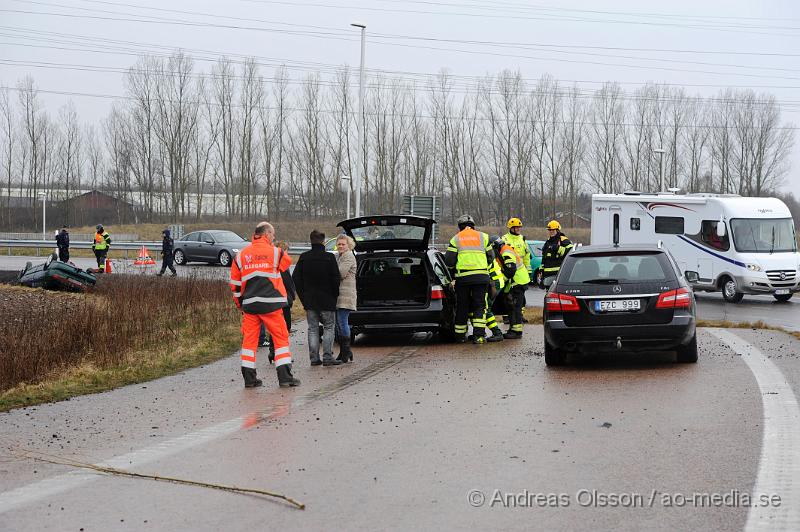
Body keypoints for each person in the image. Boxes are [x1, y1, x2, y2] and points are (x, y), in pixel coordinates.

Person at [229, 221, 299, 388]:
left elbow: (235, 285)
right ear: (267, 234)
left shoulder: (240, 256)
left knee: (249, 342)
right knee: (281, 338)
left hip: (250, 305)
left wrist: (240, 304)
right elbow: (286, 264)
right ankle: (285, 377)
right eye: (273, 235)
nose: (274, 238)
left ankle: (249, 379)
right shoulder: (276, 253)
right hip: (272, 304)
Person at [292, 230, 342, 366]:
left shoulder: (303, 257)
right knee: (329, 327)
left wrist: (303, 296)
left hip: (310, 300)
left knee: (313, 328)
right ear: (323, 241)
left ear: (310, 240)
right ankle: (327, 357)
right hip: (327, 299)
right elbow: (336, 278)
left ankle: (314, 358)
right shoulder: (329, 258)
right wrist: (334, 294)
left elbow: (296, 278)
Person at [444, 214, 494, 344]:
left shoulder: (456, 238)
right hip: (481, 278)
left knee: (462, 306)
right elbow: (491, 257)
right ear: (473, 225)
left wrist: (452, 271)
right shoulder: (484, 237)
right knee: (479, 306)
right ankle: (479, 336)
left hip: (463, 279)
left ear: (460, 227)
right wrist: (482, 267)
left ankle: (460, 337)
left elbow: (449, 261)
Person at [259, 240, 296, 364]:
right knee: (284, 329)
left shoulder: (270, 265)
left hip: (272, 301)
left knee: (274, 328)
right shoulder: (282, 266)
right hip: (283, 301)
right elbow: (288, 284)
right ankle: (280, 355)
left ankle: (272, 351)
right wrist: (292, 298)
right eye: (286, 251)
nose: (288, 253)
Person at [495, 237, 531, 339]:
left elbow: (510, 270)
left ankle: (516, 331)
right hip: (516, 281)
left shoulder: (505, 252)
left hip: (517, 281)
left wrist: (501, 281)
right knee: (511, 306)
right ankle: (513, 329)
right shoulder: (504, 250)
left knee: (515, 307)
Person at [334, 234, 357, 363]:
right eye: (339, 244)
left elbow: (340, 273)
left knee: (342, 322)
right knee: (340, 323)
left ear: (348, 245)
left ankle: (346, 351)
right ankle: (345, 352)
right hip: (339, 295)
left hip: (346, 295)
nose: (340, 246)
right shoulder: (339, 256)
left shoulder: (348, 256)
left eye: (343, 244)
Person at [540, 220, 573, 286]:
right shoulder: (548, 242)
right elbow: (544, 258)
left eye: (553, 230)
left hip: (558, 274)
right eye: (549, 230)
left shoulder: (563, 239)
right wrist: (541, 270)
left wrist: (558, 248)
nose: (551, 232)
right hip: (547, 275)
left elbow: (571, 251)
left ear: (557, 230)